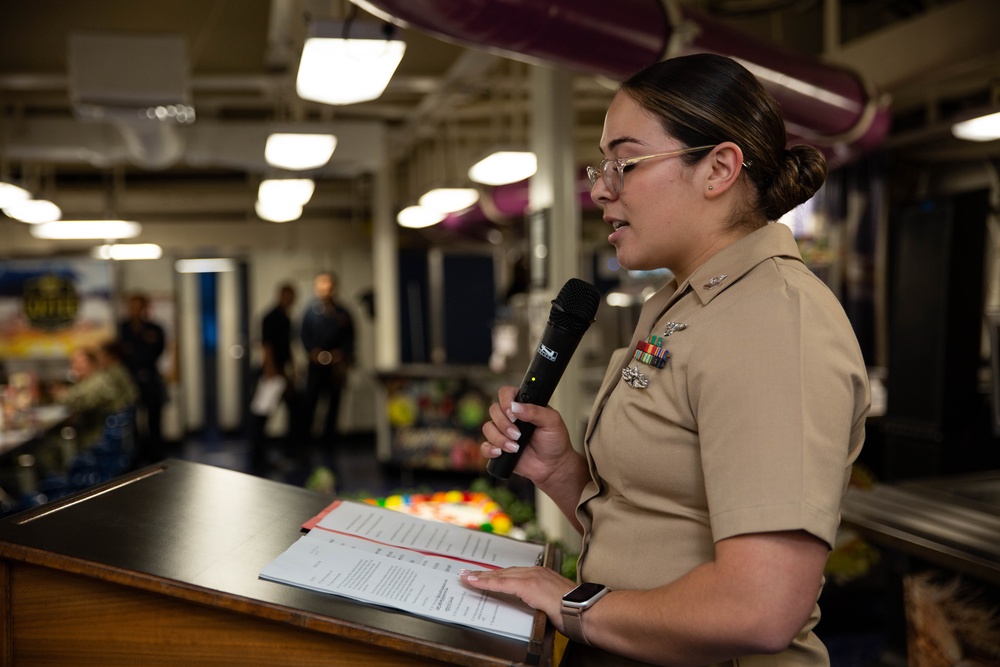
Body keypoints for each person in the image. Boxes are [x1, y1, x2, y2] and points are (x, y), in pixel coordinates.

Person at [463, 53, 871, 667]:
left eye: (624, 163)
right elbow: (658, 527)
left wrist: (573, 603)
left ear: (719, 169)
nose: (601, 187)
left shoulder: (772, 322)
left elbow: (758, 607)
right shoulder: (684, 304)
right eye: (602, 165)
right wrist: (561, 473)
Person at [300, 271, 355, 464]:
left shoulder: (343, 313)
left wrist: (342, 356)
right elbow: (304, 338)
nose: (326, 289)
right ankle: (305, 447)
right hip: (315, 369)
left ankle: (329, 444)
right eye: (322, 285)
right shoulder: (310, 313)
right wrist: (314, 353)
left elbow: (350, 340)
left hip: (335, 369)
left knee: (334, 407)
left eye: (329, 286)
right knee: (310, 406)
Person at [249, 282, 299, 469]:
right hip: (272, 373)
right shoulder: (270, 317)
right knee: (262, 415)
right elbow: (266, 345)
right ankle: (258, 456)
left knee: (295, 409)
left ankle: (290, 451)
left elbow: (287, 347)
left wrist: (292, 368)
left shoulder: (287, 319)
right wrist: (270, 370)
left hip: (282, 371)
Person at [118, 293, 167, 466]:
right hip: (129, 380)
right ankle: (135, 455)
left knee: (154, 420)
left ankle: (156, 454)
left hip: (151, 378)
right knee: (131, 421)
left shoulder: (154, 328)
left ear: (145, 308)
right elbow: (120, 353)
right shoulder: (122, 329)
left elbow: (159, 350)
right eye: (132, 307)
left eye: (139, 307)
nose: (135, 311)